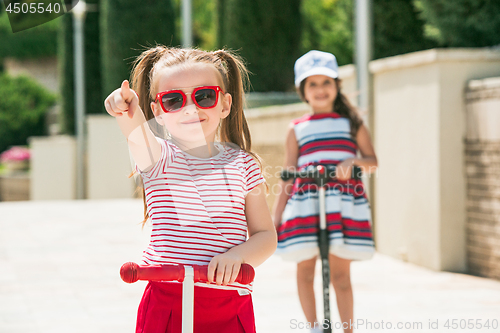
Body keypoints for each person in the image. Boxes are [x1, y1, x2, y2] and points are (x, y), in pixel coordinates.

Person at [104, 46, 277, 333]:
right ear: (158, 111)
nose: (190, 108)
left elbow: (265, 235)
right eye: (173, 100)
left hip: (230, 304)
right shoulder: (158, 158)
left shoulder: (244, 164)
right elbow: (133, 127)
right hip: (167, 304)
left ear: (225, 104)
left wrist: (238, 256)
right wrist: (124, 109)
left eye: (204, 96)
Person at [272, 50, 378, 333]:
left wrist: (353, 163)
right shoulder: (296, 129)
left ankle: (347, 329)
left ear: (337, 85)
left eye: (325, 82)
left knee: (341, 275)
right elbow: (287, 175)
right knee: (305, 272)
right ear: (303, 91)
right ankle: (313, 327)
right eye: (312, 84)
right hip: (305, 207)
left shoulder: (352, 124)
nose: (320, 90)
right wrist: (276, 216)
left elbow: (372, 162)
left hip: (341, 206)